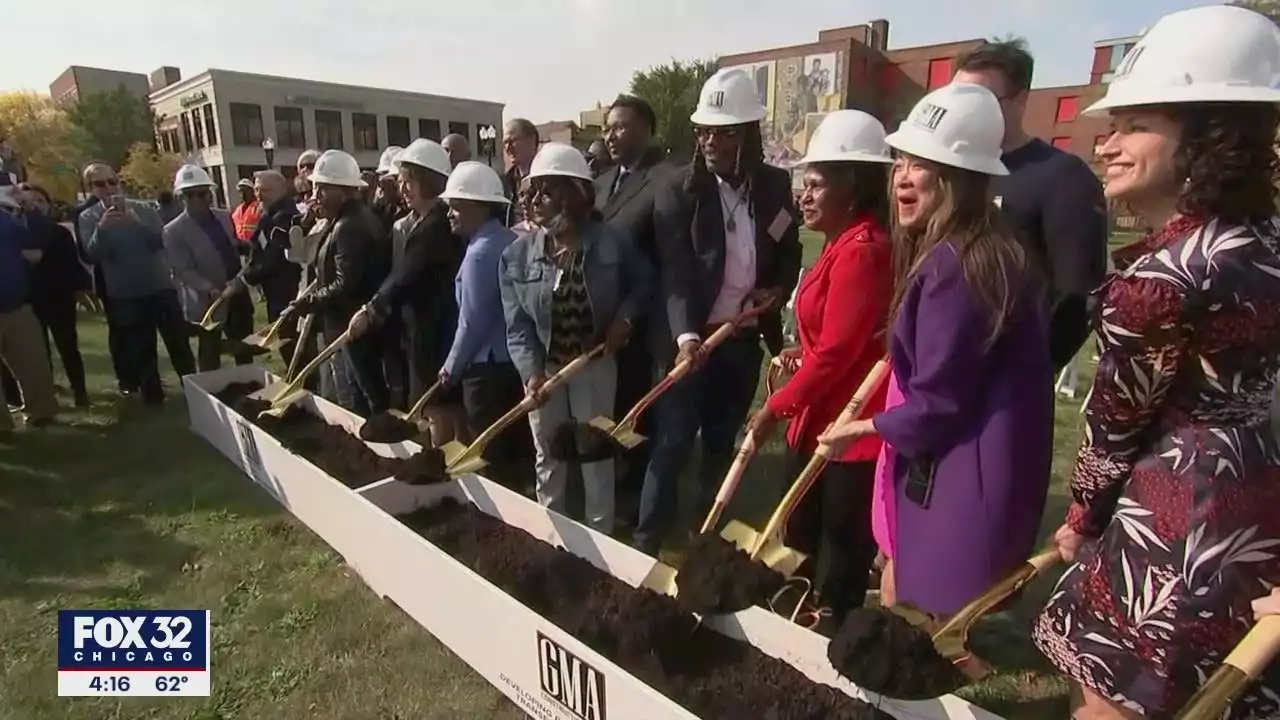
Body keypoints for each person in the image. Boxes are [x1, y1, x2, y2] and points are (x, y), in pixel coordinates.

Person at [1028, 7, 1280, 718]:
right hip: (1257, 494)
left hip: (1173, 516)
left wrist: (1080, 516)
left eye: (1135, 125)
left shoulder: (1161, 281)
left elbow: (1110, 430)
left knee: (1118, 699)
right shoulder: (1264, 240)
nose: (1106, 144)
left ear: (1205, 137)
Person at [817, 82, 1054, 620]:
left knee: (925, 624)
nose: (901, 174)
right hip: (990, 463)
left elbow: (938, 403)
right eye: (899, 160)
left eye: (920, 163)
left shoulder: (953, 264)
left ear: (958, 177)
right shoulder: (995, 247)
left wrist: (863, 428)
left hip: (958, 474)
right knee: (925, 613)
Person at [637, 68, 802, 555]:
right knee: (671, 444)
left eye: (723, 132)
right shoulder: (678, 191)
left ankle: (702, 537)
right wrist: (687, 337)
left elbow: (788, 250)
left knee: (720, 443)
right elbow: (676, 272)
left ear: (747, 133)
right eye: (703, 131)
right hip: (694, 343)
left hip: (743, 340)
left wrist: (775, 288)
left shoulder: (774, 186)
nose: (710, 141)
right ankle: (646, 542)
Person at [743, 110, 893, 624]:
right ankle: (796, 621)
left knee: (835, 552)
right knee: (800, 536)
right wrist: (798, 354)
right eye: (801, 186)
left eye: (814, 185)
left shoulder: (864, 251)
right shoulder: (837, 244)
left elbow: (838, 354)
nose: (802, 197)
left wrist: (772, 409)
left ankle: (829, 635)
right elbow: (827, 342)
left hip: (846, 432)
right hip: (816, 416)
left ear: (852, 183)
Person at [499, 142, 653, 535]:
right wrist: (531, 374)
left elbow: (644, 284)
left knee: (595, 451)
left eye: (547, 192)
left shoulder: (612, 243)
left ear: (576, 195)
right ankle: (552, 535)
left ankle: (599, 538)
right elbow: (517, 326)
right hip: (546, 370)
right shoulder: (515, 258)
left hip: (595, 362)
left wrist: (626, 320)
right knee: (548, 455)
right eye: (531, 192)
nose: (535, 202)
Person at [953, 39, 1108, 374]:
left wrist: (1031, 374)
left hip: (1007, 376)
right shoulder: (953, 172)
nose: (965, 111)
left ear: (1021, 100)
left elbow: (1078, 292)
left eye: (981, 101)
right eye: (958, 99)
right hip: (942, 366)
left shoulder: (1063, 177)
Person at [593, 94, 674, 528]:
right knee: (606, 407)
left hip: (642, 325)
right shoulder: (602, 182)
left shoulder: (666, 180)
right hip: (600, 322)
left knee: (635, 412)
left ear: (647, 129)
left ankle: (630, 497)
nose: (611, 134)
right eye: (608, 127)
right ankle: (607, 481)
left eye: (621, 126)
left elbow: (665, 261)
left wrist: (631, 314)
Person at [348, 139, 462, 427]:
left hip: (436, 331)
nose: (403, 189)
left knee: (435, 409)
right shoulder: (424, 221)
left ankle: (438, 459)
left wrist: (371, 309)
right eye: (401, 181)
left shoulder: (436, 225)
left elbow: (406, 274)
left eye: (409, 181)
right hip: (422, 330)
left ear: (430, 181)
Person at [79, 163, 195, 404]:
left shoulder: (143, 209)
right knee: (141, 347)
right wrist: (102, 229)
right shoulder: (88, 217)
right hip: (125, 294)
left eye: (112, 181)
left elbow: (159, 241)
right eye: (100, 184)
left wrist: (136, 223)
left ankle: (195, 391)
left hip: (159, 286)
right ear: (91, 189)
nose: (109, 188)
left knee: (178, 343)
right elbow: (92, 255)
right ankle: (153, 396)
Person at [286, 150, 389, 416]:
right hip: (350, 324)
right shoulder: (347, 220)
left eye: (321, 188)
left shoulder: (350, 226)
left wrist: (308, 303)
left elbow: (346, 284)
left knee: (357, 398)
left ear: (343, 190)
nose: (314, 195)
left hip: (351, 327)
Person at [438, 161, 522, 465]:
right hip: (511, 365)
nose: (449, 213)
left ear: (479, 207)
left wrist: (451, 367)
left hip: (485, 373)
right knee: (512, 452)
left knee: (490, 455)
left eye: (456, 206)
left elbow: (472, 322)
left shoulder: (479, 254)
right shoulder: (509, 239)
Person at [165, 165, 255, 372]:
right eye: (192, 195)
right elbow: (183, 269)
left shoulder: (224, 217)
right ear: (181, 198)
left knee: (243, 345)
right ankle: (209, 393)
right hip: (207, 301)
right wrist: (209, 288)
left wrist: (244, 247)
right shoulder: (173, 231)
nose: (201, 199)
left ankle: (248, 381)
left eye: (204, 193)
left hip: (236, 291)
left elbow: (231, 243)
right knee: (209, 350)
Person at [16, 183, 94, 407]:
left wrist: (80, 289)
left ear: (49, 205)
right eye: (28, 201)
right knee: (38, 352)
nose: (35, 205)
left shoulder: (59, 233)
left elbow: (72, 264)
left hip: (60, 298)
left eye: (40, 201)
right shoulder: (19, 233)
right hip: (30, 299)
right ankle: (46, 393)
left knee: (69, 346)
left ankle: (80, 391)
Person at [216, 170, 302, 365]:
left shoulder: (285, 217)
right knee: (285, 343)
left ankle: (308, 389)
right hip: (275, 292)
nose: (258, 195)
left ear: (280, 191)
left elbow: (272, 257)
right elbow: (258, 248)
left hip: (288, 292)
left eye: (264, 190)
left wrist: (243, 281)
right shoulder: (269, 215)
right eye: (256, 189)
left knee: (292, 346)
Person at [0, 176, 58, 433]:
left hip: (16, 307)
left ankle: (41, 413)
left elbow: (38, 238)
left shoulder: (5, 220)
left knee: (34, 365)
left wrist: (29, 207)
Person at [501, 118, 539, 228]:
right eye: (505, 143)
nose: (508, 148)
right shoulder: (504, 183)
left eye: (513, 141)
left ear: (531, 140)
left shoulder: (548, 180)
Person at [229, 178, 262, 252]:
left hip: (255, 248)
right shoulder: (237, 211)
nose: (243, 194)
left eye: (246, 191)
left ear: (252, 192)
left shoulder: (259, 207)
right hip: (241, 248)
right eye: (240, 191)